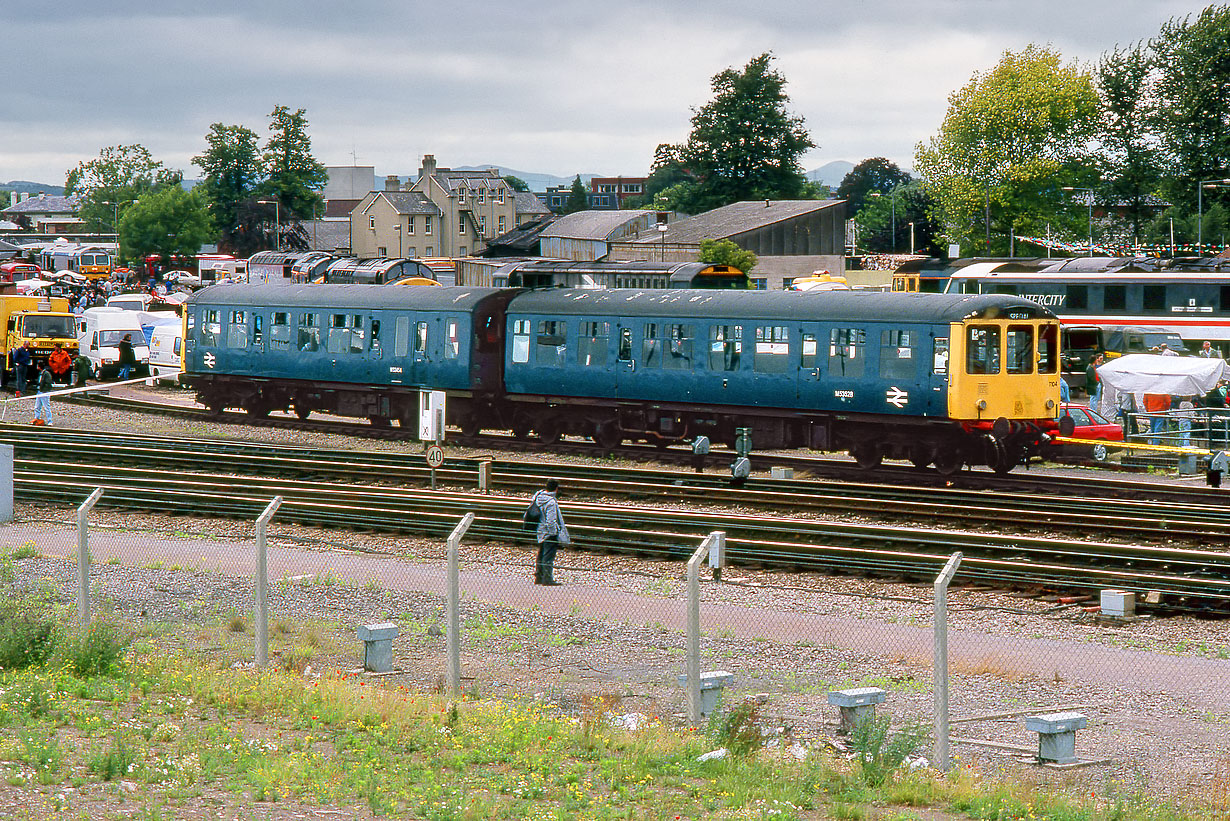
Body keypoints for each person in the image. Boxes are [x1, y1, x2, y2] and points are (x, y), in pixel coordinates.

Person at [531, 479, 568, 585]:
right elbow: (551, 521)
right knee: (548, 555)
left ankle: (539, 577)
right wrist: (553, 533)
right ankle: (547, 579)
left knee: (541, 553)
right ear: (556, 489)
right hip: (548, 532)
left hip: (540, 530)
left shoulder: (538, 496)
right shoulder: (550, 502)